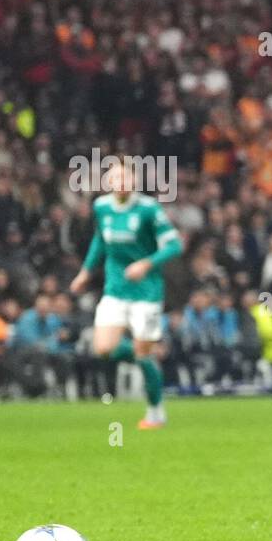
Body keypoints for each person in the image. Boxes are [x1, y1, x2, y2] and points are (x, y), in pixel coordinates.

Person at [69, 160, 183, 428]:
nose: (121, 182)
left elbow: (175, 245)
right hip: (116, 289)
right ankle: (147, 358)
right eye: (115, 177)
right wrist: (85, 272)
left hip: (148, 292)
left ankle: (156, 411)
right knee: (103, 348)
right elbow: (100, 240)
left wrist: (146, 263)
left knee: (143, 354)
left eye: (126, 177)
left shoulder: (148, 209)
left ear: (134, 181)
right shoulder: (102, 207)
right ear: (108, 182)